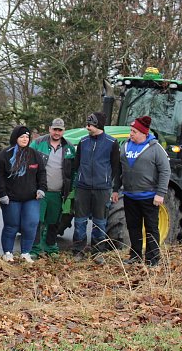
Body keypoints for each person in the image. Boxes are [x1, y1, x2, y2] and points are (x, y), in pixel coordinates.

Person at [113, 115, 171, 266]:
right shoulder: (125, 146)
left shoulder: (155, 148)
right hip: (130, 195)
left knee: (151, 228)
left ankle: (153, 259)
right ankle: (135, 255)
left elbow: (165, 171)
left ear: (143, 133)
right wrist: (115, 189)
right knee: (133, 227)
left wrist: (160, 193)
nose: (131, 134)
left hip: (149, 196)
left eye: (134, 131)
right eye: (131, 130)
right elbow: (120, 169)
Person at [0, 125, 47, 263]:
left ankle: (25, 252)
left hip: (31, 197)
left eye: (27, 137)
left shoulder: (34, 155)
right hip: (11, 198)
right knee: (12, 225)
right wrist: (2, 193)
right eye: (22, 136)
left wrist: (41, 188)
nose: (25, 139)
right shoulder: (5, 155)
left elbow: (41, 173)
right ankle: (8, 252)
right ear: (16, 138)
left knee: (31, 224)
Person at [72, 111, 121, 263]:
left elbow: (116, 168)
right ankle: (78, 251)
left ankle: (97, 252)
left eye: (90, 124)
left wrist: (114, 189)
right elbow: (76, 164)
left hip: (102, 188)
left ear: (98, 125)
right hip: (83, 187)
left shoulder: (112, 143)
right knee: (80, 221)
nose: (87, 127)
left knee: (100, 221)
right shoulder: (83, 142)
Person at [30, 118, 75, 258]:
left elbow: (73, 170)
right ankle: (35, 249)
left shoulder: (69, 147)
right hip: (41, 191)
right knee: (37, 221)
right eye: (54, 129)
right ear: (50, 129)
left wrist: (71, 188)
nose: (57, 132)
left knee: (54, 221)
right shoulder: (38, 144)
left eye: (59, 130)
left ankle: (50, 247)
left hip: (58, 192)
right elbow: (27, 161)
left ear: (63, 131)